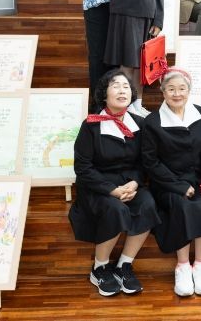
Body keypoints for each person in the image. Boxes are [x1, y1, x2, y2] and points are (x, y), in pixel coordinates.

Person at [68, 69, 160, 297]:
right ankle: (99, 268)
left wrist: (135, 183)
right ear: (104, 94)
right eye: (115, 86)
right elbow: (83, 167)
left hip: (129, 184)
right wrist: (112, 190)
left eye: (126, 86)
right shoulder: (91, 125)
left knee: (147, 204)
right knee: (116, 209)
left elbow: (144, 162)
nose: (122, 91)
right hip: (98, 187)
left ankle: (124, 265)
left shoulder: (140, 124)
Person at [141, 68, 201, 297]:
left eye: (182, 88)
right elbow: (150, 162)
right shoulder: (152, 122)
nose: (177, 93)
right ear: (163, 92)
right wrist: (179, 186)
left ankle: (200, 265)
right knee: (180, 204)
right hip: (166, 183)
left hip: (198, 180)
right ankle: (182, 266)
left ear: (189, 91)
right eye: (171, 89)